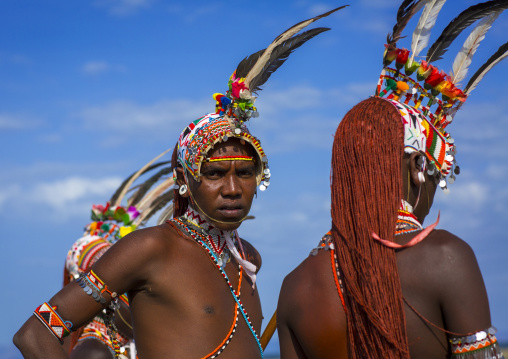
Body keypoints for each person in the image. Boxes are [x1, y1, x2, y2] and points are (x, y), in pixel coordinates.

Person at [13, 7, 344, 359]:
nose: (233, 188)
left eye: (244, 173)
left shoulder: (250, 260)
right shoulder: (150, 248)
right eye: (214, 173)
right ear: (186, 180)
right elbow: (36, 334)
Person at [277, 1, 507, 358]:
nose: (434, 190)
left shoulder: (296, 286)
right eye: (439, 174)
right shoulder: (445, 258)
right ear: (418, 166)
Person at [63, 159, 175, 359]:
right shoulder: (94, 353)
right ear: (106, 302)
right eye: (129, 292)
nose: (143, 304)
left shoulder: (121, 345)